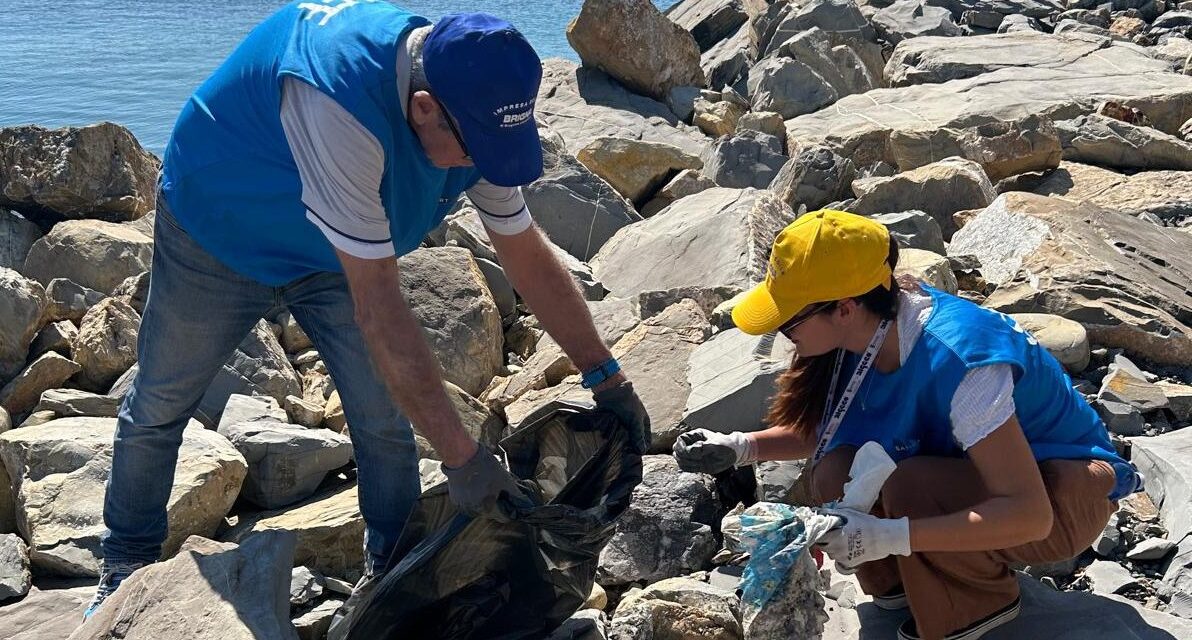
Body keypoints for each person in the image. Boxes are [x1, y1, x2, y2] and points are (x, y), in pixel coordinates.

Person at [87, 0, 650, 621]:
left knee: (383, 420)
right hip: (220, 233)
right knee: (162, 403)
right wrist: (463, 460)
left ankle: (394, 571)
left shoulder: (473, 109)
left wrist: (606, 374)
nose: (477, 166)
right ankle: (124, 569)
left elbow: (524, 255)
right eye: (472, 151)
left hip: (329, 250)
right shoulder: (337, 99)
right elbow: (380, 307)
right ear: (424, 108)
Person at [674, 210, 1141, 640]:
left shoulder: (961, 361)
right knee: (834, 471)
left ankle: (971, 613)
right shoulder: (862, 334)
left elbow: (1029, 514)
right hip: (983, 480)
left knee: (910, 484)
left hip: (1063, 497)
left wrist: (894, 535)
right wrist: (739, 446)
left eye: (789, 318)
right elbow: (832, 430)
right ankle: (906, 585)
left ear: (843, 307)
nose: (783, 331)